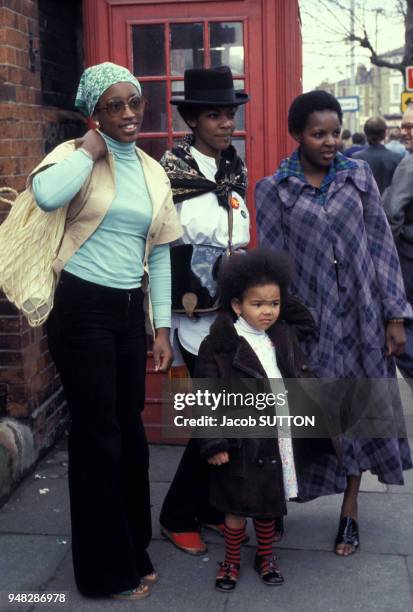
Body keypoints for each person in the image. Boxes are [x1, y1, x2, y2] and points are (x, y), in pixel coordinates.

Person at [29, 62, 182, 600]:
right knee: (98, 437)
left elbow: (160, 251)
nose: (128, 114)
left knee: (129, 430)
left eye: (134, 102)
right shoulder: (74, 158)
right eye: (113, 106)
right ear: (93, 114)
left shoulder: (152, 170)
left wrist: (160, 327)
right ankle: (102, 572)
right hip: (81, 306)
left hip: (124, 313)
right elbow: (47, 196)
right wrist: (91, 148)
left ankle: (132, 543)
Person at [255, 90, 413, 557]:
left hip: (363, 322)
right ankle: (276, 505)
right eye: (317, 133)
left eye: (335, 132)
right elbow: (274, 266)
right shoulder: (275, 189)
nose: (329, 142)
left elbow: (382, 247)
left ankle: (349, 511)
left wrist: (395, 315)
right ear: (297, 136)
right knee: (302, 418)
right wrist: (276, 327)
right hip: (310, 326)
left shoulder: (358, 176)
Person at [158, 66, 251, 554]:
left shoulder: (233, 168)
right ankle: (176, 515)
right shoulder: (171, 172)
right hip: (192, 318)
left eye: (229, 113)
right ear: (192, 119)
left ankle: (210, 509)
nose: (225, 123)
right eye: (214, 115)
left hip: (232, 315)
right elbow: (158, 246)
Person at [196, 248, 317, 591]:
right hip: (241, 442)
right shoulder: (219, 345)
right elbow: (204, 399)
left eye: (274, 304)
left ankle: (265, 555)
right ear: (236, 305)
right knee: (235, 505)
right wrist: (214, 442)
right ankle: (231, 559)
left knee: (267, 503)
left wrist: (279, 290)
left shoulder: (281, 334)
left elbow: (307, 321)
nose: (268, 312)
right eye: (257, 304)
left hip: (277, 436)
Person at [383, 107, 413, 382]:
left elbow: (393, 212)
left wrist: (385, 253)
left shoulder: (409, 164)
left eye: (411, 127)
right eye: (404, 126)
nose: (405, 132)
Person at [353, 116, 403, 194]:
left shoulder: (355, 159)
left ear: (365, 134)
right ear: (385, 134)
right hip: (389, 204)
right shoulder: (397, 158)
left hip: (365, 204)